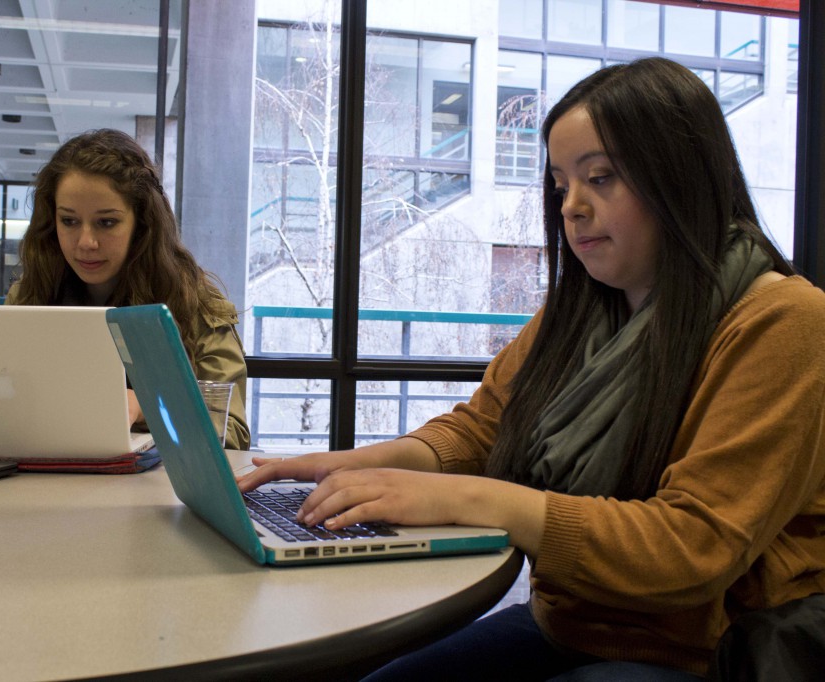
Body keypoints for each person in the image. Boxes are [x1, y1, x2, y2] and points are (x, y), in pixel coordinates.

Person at [238, 57, 825, 680]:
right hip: (567, 626)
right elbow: (485, 429)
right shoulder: (580, 308)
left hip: (703, 655)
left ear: (682, 178)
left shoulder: (784, 320)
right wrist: (362, 465)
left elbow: (692, 548)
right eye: (561, 184)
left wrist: (472, 497)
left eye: (601, 178)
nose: (572, 207)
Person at [7, 128, 250, 450]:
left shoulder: (194, 301)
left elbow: (232, 433)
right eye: (69, 221)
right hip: (46, 478)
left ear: (142, 224)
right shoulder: (29, 296)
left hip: (158, 491)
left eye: (106, 222)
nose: (86, 242)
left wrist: (145, 407)